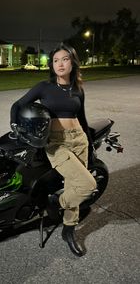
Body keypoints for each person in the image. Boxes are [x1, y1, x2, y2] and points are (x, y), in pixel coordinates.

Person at [10, 42, 97, 256]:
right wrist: (15, 127)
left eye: (64, 59)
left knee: (74, 185)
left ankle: (69, 230)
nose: (60, 63)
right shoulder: (44, 87)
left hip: (80, 140)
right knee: (87, 185)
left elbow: (82, 118)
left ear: (73, 62)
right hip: (56, 142)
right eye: (56, 60)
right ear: (52, 65)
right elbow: (17, 105)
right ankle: (56, 202)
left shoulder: (78, 90)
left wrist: (90, 144)